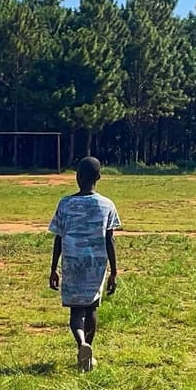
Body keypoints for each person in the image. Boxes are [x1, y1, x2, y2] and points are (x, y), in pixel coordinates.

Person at [48, 157, 122, 371]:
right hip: (96, 264)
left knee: (76, 312)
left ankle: (81, 344)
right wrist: (114, 272)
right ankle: (88, 350)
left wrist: (53, 268)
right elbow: (110, 240)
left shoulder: (65, 203)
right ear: (98, 177)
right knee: (91, 309)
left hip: (72, 261)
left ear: (76, 177)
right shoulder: (107, 205)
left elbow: (58, 238)